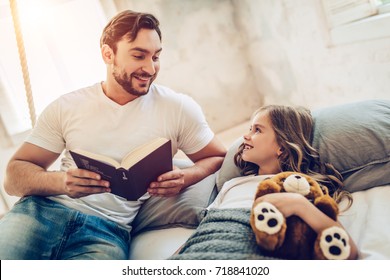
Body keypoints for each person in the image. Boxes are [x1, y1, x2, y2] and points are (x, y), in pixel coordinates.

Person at [0, 10, 226, 260]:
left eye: (156, 56)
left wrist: (186, 176)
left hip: (107, 232)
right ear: (108, 54)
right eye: (139, 55)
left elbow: (218, 156)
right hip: (42, 213)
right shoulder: (67, 107)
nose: (150, 68)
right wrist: (61, 182)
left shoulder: (178, 108)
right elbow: (13, 178)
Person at [171, 105, 358, 260]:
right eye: (249, 129)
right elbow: (205, 229)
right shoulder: (232, 184)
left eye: (257, 130)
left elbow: (348, 253)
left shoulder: (299, 187)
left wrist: (298, 204)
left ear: (282, 148)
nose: (246, 136)